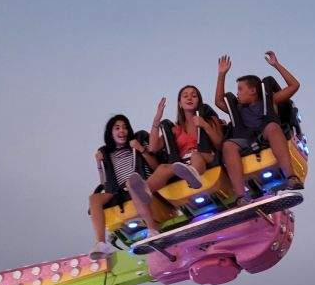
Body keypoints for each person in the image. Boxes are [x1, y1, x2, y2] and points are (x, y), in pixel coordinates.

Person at [125, 87, 223, 235]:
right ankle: (145, 190)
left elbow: (219, 143)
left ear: (199, 101)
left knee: (195, 155)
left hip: (206, 156)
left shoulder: (208, 120)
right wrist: (157, 120)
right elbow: (153, 147)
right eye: (185, 96)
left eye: (194, 95)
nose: (189, 98)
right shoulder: (176, 129)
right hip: (182, 166)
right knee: (163, 168)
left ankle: (193, 175)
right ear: (180, 103)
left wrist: (204, 125)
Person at [215, 51, 302, 206]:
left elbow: (294, 86)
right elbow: (219, 101)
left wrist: (276, 65)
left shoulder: (270, 101)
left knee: (273, 127)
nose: (237, 93)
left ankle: (291, 177)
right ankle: (241, 196)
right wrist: (222, 74)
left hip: (265, 132)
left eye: (240, 89)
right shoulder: (238, 108)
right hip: (245, 138)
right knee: (228, 145)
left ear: (253, 90)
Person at [88, 114, 159, 259]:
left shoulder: (136, 143)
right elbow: (104, 183)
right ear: (111, 133)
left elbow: (155, 166)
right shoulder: (107, 153)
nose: (122, 131)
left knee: (131, 183)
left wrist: (140, 149)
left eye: (125, 127)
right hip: (117, 191)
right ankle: (101, 243)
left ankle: (152, 230)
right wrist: (99, 164)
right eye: (117, 128)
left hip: (139, 183)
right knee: (94, 198)